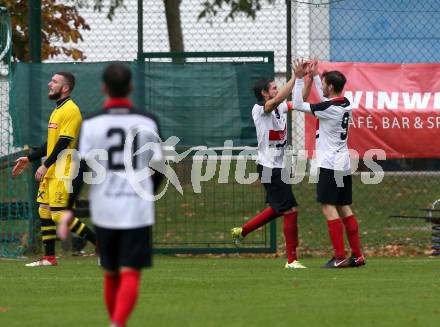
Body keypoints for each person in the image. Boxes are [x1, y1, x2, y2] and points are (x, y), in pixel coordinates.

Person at [57, 63, 164, 327]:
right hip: (136, 208)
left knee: (110, 272)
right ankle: (117, 324)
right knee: (130, 271)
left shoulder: (92, 123)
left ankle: (116, 323)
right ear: (131, 87)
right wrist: (146, 191)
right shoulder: (146, 121)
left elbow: (79, 170)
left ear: (103, 88)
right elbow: (159, 168)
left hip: (105, 208)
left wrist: (68, 208)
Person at [231, 63, 313, 269]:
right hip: (269, 168)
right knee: (290, 210)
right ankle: (292, 260)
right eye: (274, 88)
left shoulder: (280, 107)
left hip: (278, 167)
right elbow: (276, 101)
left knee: (279, 208)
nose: (277, 90)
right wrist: (295, 77)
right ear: (264, 93)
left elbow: (300, 99)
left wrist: (308, 77)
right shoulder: (260, 109)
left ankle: (243, 231)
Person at [12, 71, 96, 267]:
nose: (50, 84)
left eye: (54, 81)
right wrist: (29, 157)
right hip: (53, 169)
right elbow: (51, 143)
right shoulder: (58, 110)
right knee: (44, 210)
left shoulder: (71, 110)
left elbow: (64, 143)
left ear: (65, 88)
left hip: (65, 169)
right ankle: (49, 258)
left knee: (58, 213)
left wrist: (44, 164)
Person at [292, 58, 365, 268]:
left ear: (330, 86)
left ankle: (340, 256)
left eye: (324, 83)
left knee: (328, 206)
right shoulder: (346, 103)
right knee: (344, 207)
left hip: (330, 164)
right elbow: (326, 97)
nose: (321, 87)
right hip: (342, 163)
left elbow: (297, 104)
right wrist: (315, 77)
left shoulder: (328, 108)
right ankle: (358, 255)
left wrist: (298, 79)